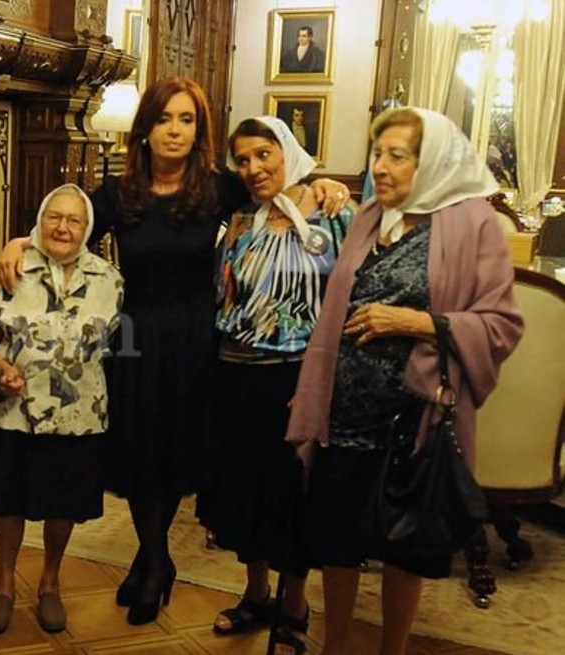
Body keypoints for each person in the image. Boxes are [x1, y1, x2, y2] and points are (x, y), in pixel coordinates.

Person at [0, 76, 348, 626]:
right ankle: (156, 561)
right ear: (146, 130)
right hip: (134, 338)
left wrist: (324, 185)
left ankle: (150, 563)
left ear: (198, 130)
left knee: (179, 451)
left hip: (198, 341)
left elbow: (275, 184)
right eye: (165, 119)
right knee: (138, 454)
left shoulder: (217, 186)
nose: (175, 131)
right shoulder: (118, 192)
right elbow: (62, 223)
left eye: (186, 120)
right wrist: (20, 240)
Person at [287, 107, 522, 655]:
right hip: (345, 413)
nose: (381, 167)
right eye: (378, 154)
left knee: (404, 547)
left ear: (433, 160)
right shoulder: (370, 216)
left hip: (415, 418)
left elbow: (502, 323)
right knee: (337, 541)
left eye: (398, 156)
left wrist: (420, 323)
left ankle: (392, 649)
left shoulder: (472, 221)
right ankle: (335, 646)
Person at [196, 116, 354, 655]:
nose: (253, 168)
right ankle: (256, 592)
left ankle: (293, 604)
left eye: (263, 154)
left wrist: (321, 382)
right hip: (234, 373)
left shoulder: (332, 211)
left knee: (291, 495)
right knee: (242, 492)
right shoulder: (240, 219)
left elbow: (348, 302)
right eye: (242, 160)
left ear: (287, 150)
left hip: (295, 377)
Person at [0, 184, 123, 636]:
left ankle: (50, 583)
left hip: (79, 414)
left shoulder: (109, 279)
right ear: (40, 221)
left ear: (87, 227)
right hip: (15, 411)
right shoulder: (12, 269)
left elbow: (112, 343)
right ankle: (5, 585)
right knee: (9, 501)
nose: (63, 227)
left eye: (74, 220)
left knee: (64, 503)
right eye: (55, 216)